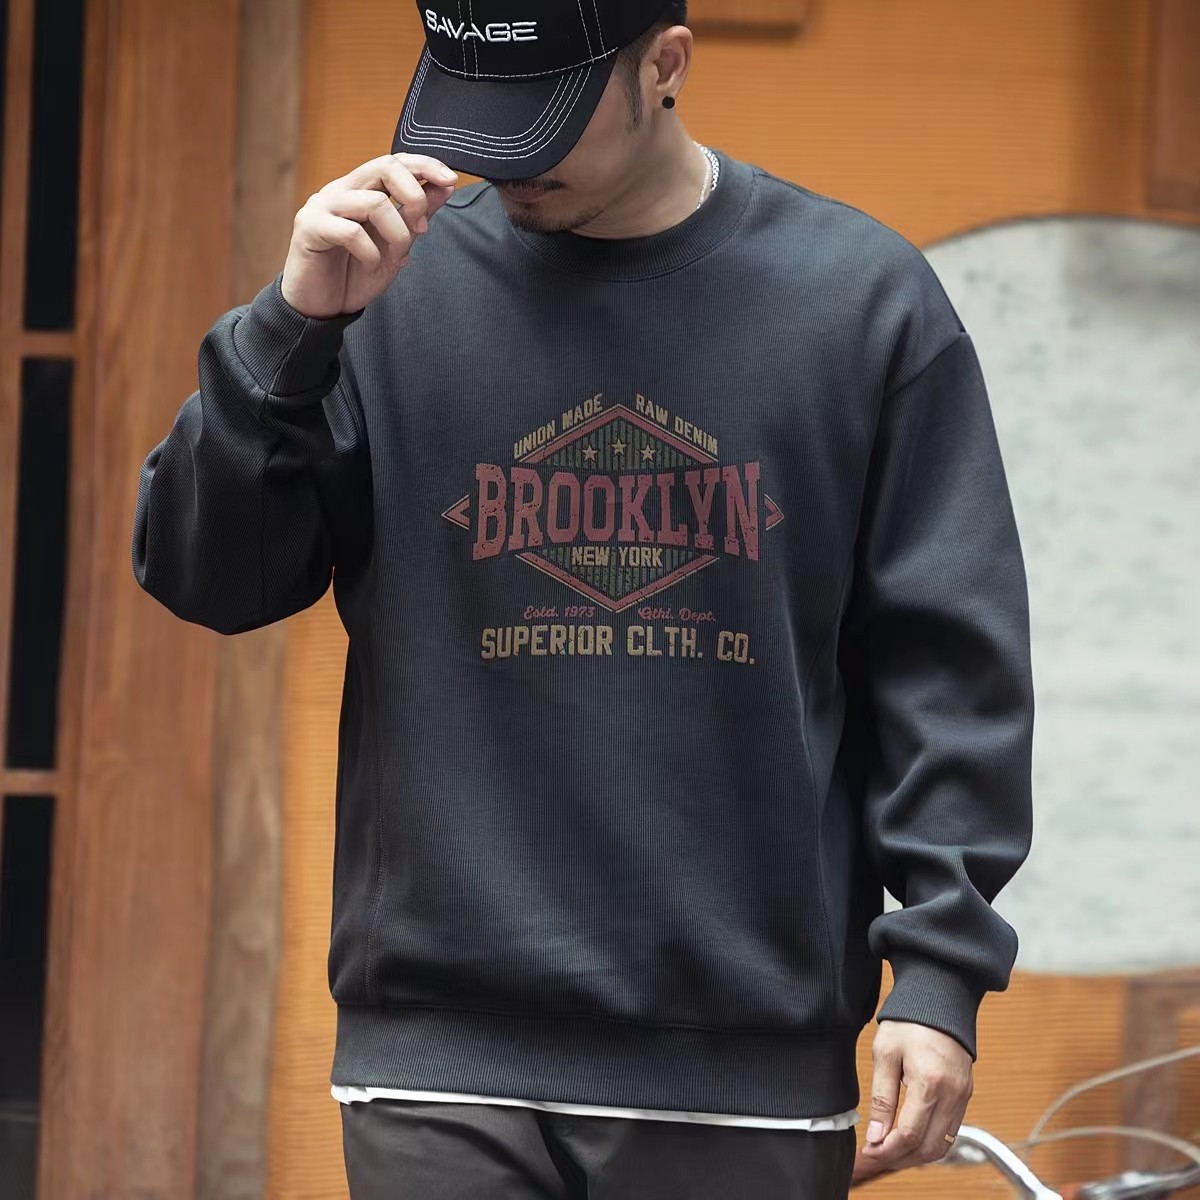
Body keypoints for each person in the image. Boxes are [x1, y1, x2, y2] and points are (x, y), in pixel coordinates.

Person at [131, 0, 1036, 1195]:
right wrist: (289, 335)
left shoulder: (859, 302)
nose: (502, 159)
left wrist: (939, 968)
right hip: (439, 1064)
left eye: (541, 117)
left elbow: (949, 670)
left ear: (665, 65)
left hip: (743, 1070)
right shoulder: (384, 291)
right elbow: (210, 577)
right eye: (475, 113)